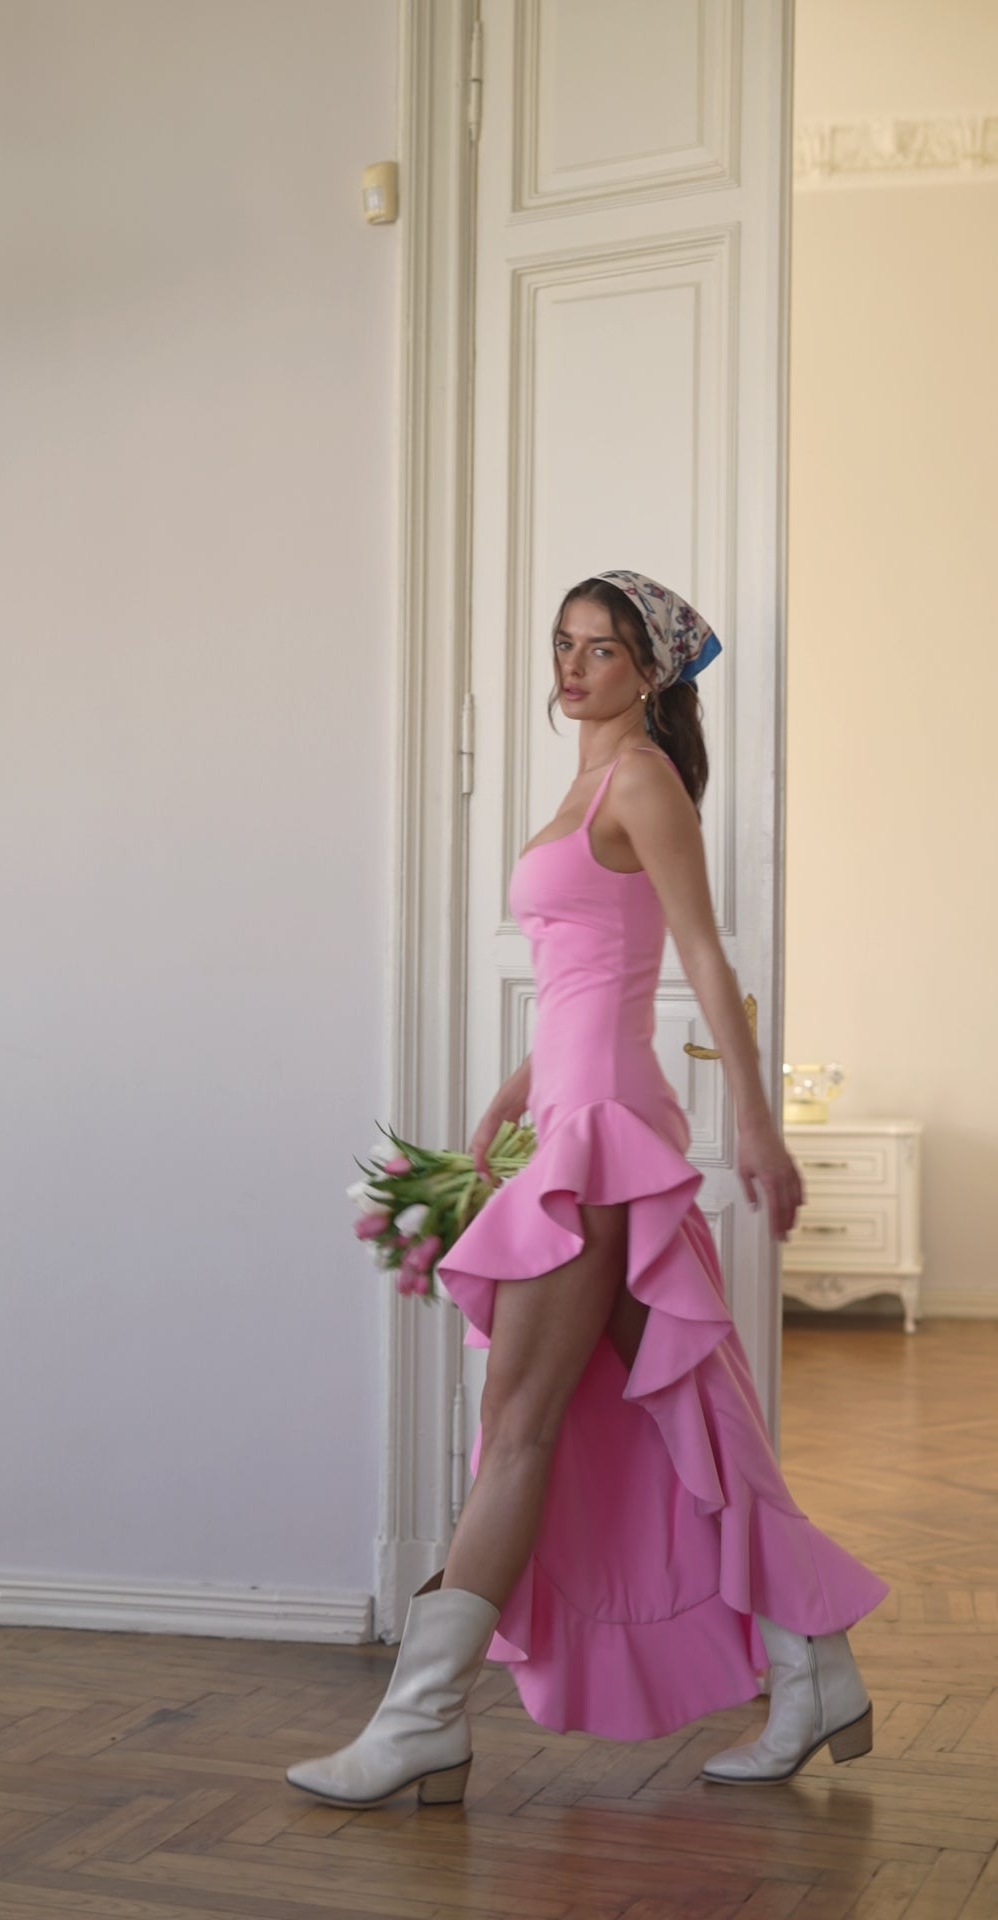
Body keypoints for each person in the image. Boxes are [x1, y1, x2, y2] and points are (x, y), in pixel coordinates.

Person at [287, 570, 887, 1810]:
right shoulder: (582, 784)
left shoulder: (642, 782)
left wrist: (758, 1129)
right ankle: (811, 1665)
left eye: (601, 650)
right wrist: (517, 1090)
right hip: (570, 1118)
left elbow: (699, 958)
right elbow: (586, 969)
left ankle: (421, 1722)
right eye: (562, 644)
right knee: (693, 1414)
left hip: (606, 1134)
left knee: (520, 1423)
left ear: (649, 672)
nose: (571, 667)